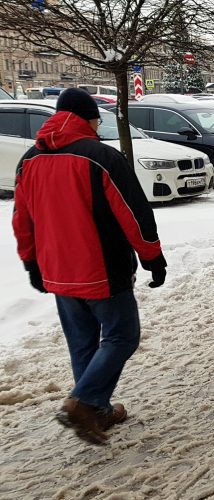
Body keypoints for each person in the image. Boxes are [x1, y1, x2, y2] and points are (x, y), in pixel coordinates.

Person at [12, 88, 167, 445]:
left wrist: (31, 262)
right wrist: (152, 257)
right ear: (89, 119)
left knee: (82, 343)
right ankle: (84, 403)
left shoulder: (30, 160)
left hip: (55, 269)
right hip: (101, 268)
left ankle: (96, 412)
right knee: (122, 336)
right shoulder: (100, 157)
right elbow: (133, 213)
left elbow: (23, 218)